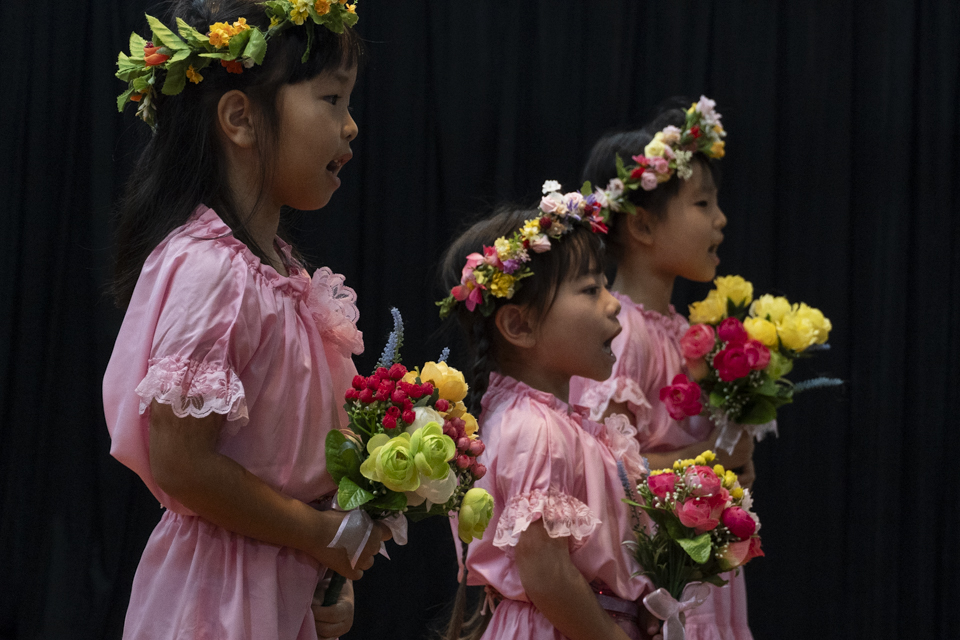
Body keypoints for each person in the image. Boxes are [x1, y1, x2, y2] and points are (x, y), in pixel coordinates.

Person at [102, 2, 388, 638]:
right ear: (240, 118)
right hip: (218, 598)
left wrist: (322, 567)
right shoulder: (212, 272)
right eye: (333, 99)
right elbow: (182, 463)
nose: (351, 127)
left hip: (273, 588)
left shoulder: (275, 273)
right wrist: (315, 534)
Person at [570, 97, 755, 640]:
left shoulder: (677, 329)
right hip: (659, 578)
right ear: (644, 225)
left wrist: (733, 470)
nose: (720, 218)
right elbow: (611, 475)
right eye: (702, 203)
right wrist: (714, 460)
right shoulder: (622, 334)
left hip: (696, 566)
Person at [437, 192, 659, 640]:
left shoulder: (558, 424)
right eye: (591, 289)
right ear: (519, 326)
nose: (614, 304)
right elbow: (547, 575)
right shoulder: (534, 429)